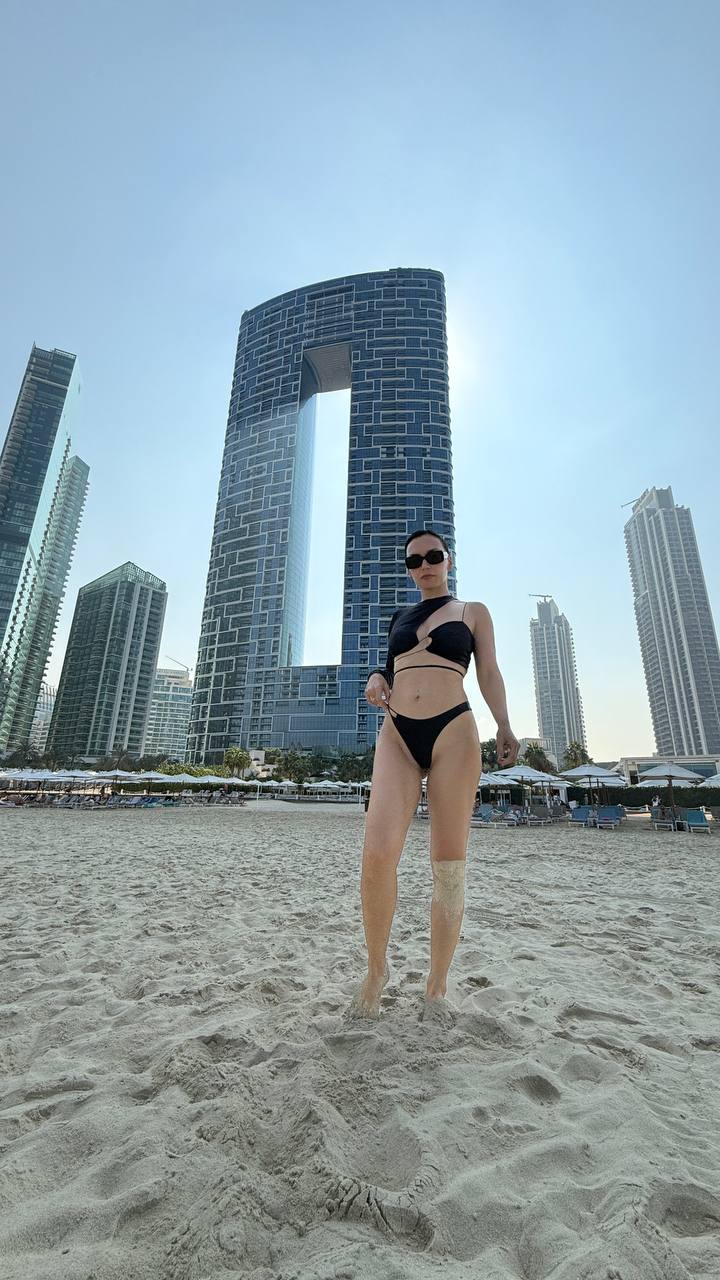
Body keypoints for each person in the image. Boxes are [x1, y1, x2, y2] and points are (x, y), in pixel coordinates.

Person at [350, 527, 519, 1020]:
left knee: (448, 866)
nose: (423, 564)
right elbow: (388, 669)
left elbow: (488, 671)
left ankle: (437, 986)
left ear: (448, 560)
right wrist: (376, 677)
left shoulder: (472, 612)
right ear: (408, 569)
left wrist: (504, 724)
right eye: (414, 560)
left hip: (453, 732)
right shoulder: (399, 617)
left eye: (432, 556)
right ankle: (376, 971)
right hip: (398, 733)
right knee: (377, 856)